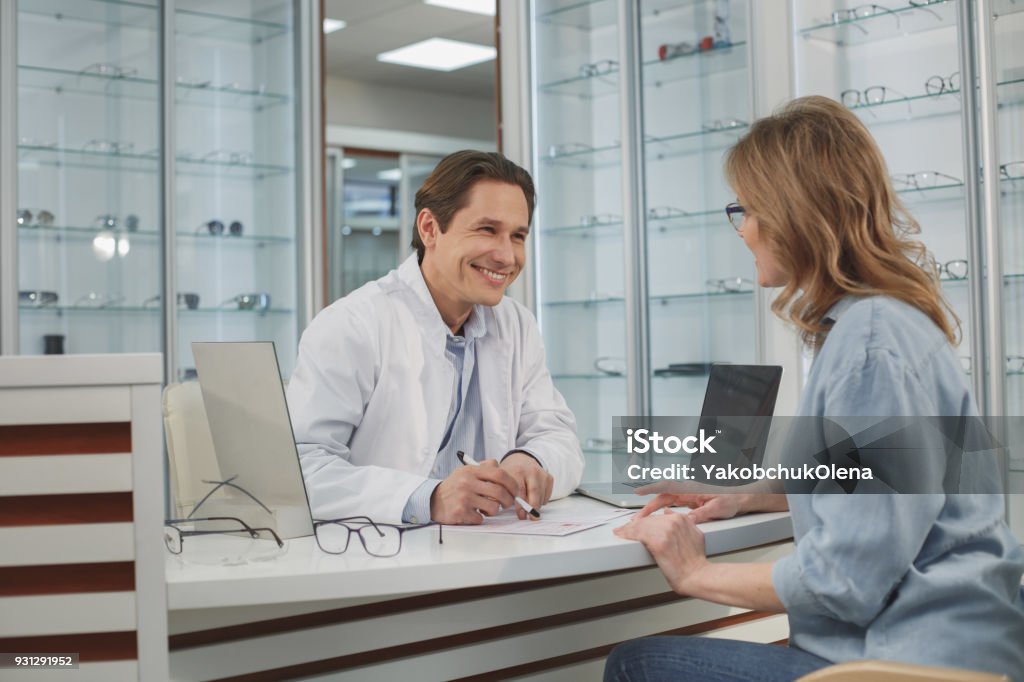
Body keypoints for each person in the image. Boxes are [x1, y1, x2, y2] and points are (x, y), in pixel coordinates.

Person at [605, 96, 1024, 681]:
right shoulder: (883, 323)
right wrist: (749, 493)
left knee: (639, 666)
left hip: (907, 663)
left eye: (748, 210)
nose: (744, 229)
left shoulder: (870, 343)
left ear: (794, 213)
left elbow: (845, 582)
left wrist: (692, 573)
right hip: (953, 648)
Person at [287, 150, 584, 526]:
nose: (506, 256)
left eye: (518, 236)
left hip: (495, 550)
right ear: (429, 228)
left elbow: (559, 436)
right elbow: (301, 469)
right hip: (383, 561)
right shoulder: (353, 324)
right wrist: (426, 498)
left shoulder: (517, 325)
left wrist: (531, 460)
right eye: (487, 230)